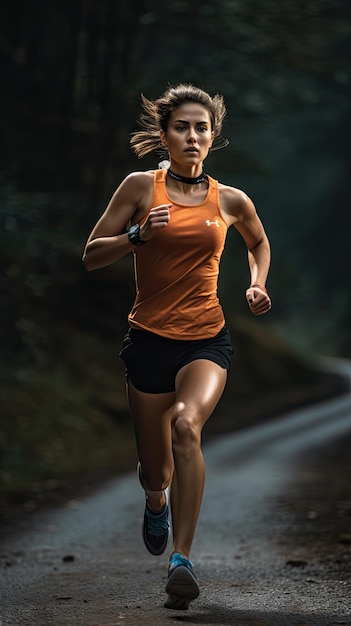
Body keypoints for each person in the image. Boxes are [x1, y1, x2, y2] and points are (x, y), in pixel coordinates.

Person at [82, 83, 271, 610]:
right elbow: (92, 255)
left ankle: (181, 559)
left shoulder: (230, 199)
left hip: (207, 337)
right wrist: (137, 236)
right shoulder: (140, 188)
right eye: (183, 127)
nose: (193, 136)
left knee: (188, 425)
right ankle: (155, 499)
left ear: (213, 138)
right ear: (164, 135)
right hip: (147, 341)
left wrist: (257, 282)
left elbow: (257, 240)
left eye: (202, 128)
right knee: (154, 467)